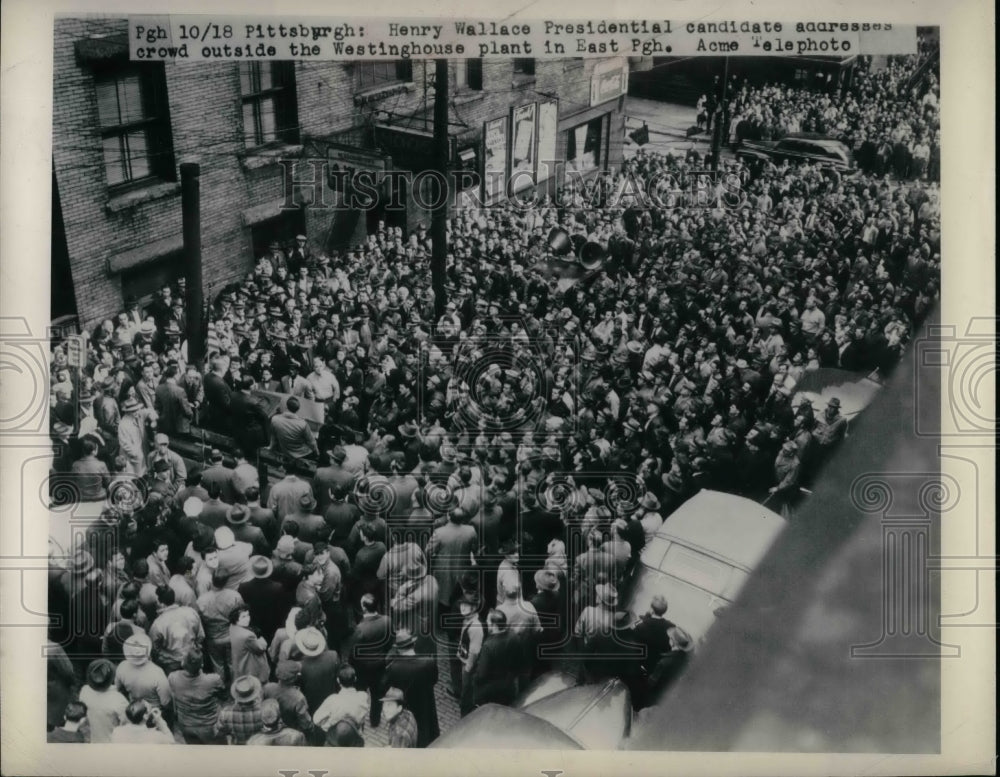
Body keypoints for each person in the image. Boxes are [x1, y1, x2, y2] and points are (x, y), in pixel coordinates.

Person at [382, 628, 440, 746]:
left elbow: (388, 688)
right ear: (413, 644)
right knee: (427, 732)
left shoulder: (393, 668)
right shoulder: (428, 662)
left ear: (398, 649)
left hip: (407, 707)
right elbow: (434, 680)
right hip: (426, 704)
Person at [167, 649, 226, 745]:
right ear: (202, 664)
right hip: (209, 726)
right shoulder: (213, 680)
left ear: (183, 663)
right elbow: (223, 696)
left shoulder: (173, 677)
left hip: (186, 725)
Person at [79, 659, 129, 744]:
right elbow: (128, 727)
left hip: (91, 742)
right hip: (111, 744)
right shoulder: (120, 700)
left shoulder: (84, 691)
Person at [312, 664, 370, 736]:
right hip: (355, 734)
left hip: (337, 737)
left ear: (338, 680)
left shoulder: (332, 700)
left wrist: (328, 725)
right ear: (355, 679)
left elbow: (316, 719)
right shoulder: (363, 696)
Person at [216, 675, 265, 745]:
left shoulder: (225, 713)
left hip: (238, 745)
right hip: (256, 745)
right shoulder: (263, 711)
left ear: (237, 694)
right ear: (255, 694)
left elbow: (220, 731)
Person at [270, 397, 319, 461]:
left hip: (285, 451)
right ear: (297, 410)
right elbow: (312, 443)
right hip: (302, 454)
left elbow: (273, 437)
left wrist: (271, 449)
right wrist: (317, 453)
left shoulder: (274, 419)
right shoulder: (303, 424)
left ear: (286, 407)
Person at [110, 701, 175, 744]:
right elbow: (172, 742)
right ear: (145, 716)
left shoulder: (117, 731)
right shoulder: (156, 736)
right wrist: (160, 721)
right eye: (150, 708)